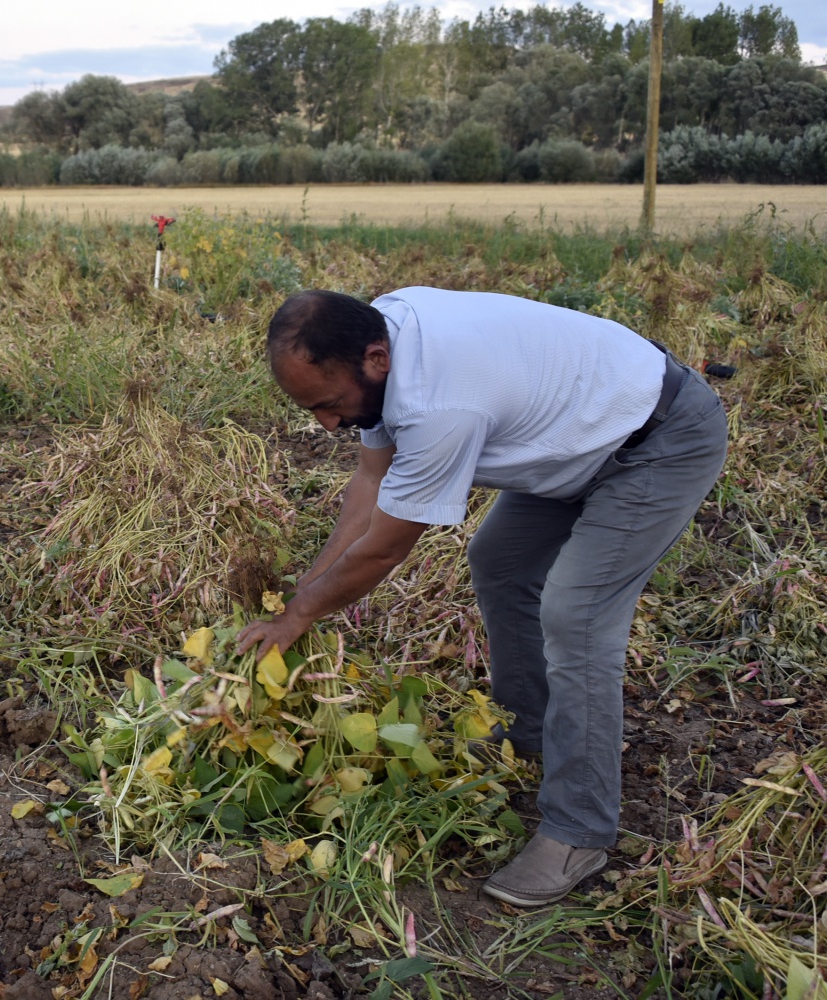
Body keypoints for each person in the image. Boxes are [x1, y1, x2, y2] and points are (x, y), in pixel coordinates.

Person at [236, 287, 727, 908]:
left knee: (576, 615)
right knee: (500, 559)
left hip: (657, 441)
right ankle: (527, 732)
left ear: (375, 358)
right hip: (580, 434)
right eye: (313, 410)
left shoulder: (441, 401)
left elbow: (385, 548)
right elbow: (370, 480)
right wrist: (301, 598)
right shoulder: (383, 335)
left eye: (330, 406)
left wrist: (303, 613)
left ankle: (580, 829)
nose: (327, 425)